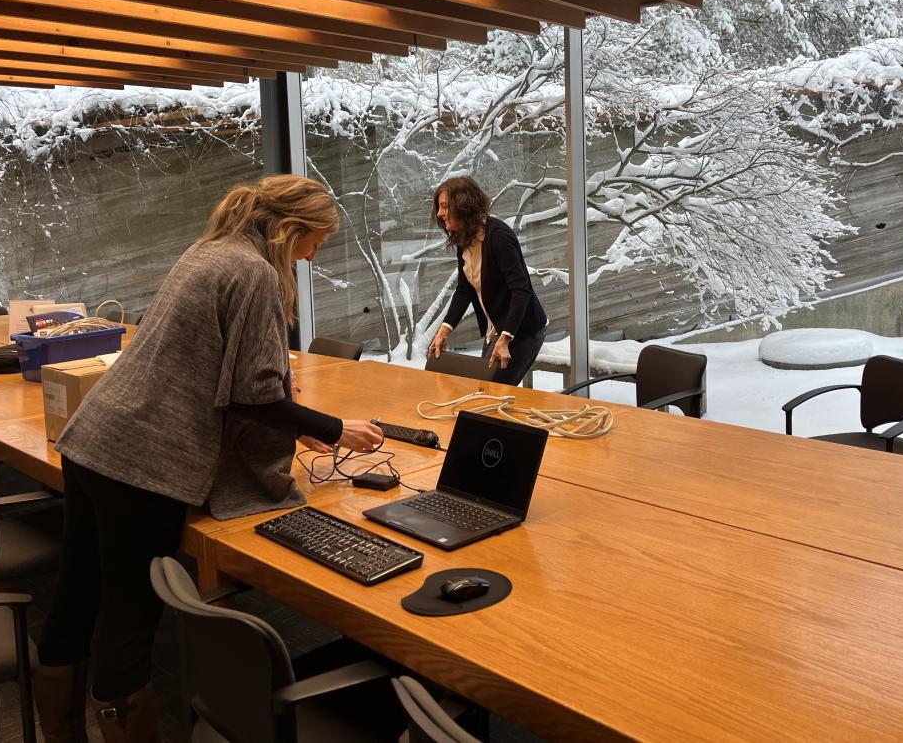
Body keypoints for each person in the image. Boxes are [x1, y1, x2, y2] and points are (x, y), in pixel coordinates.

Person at [33, 175, 383, 743]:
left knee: (76, 599)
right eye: (315, 241)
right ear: (291, 228)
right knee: (130, 620)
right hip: (144, 461)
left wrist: (297, 433)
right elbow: (254, 394)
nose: (315, 255)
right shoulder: (253, 273)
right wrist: (335, 429)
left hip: (94, 438)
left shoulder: (209, 251)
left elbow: (214, 375)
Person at [427, 176, 547, 386]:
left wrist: (506, 337)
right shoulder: (463, 238)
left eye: (445, 206)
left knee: (491, 392)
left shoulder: (499, 236)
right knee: (485, 391)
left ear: (464, 205)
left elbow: (521, 290)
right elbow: (465, 290)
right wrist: (444, 330)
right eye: (439, 207)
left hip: (522, 329)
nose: (439, 213)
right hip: (497, 328)